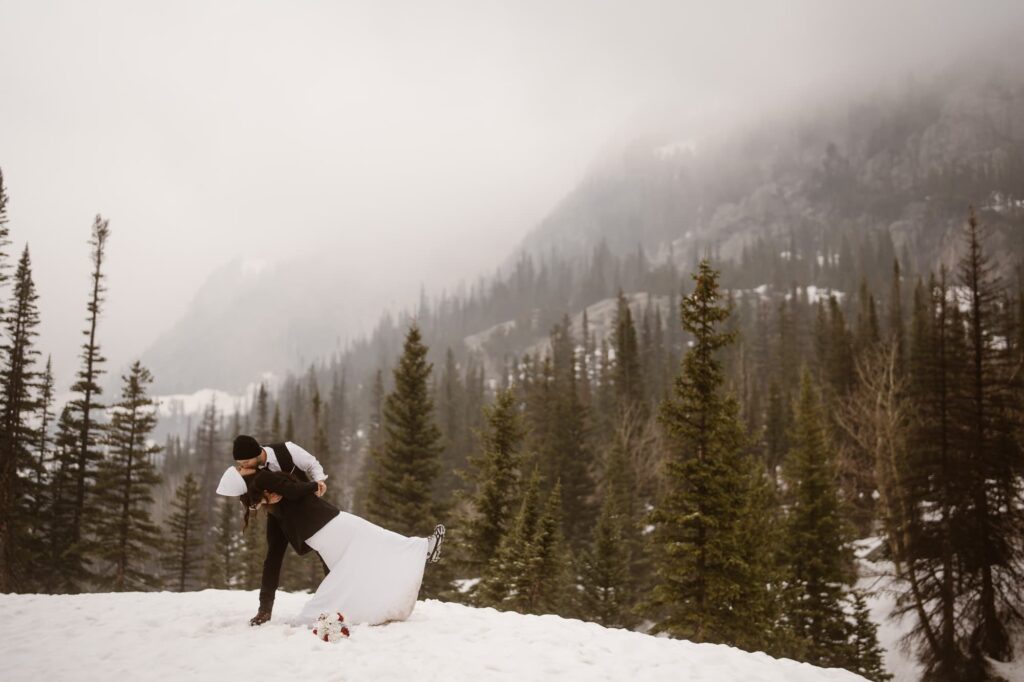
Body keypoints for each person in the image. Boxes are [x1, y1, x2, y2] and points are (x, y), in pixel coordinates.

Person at [217, 464, 445, 627]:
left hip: (333, 532)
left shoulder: (278, 496)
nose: (243, 465)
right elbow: (272, 560)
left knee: (371, 551)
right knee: (377, 542)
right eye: (239, 469)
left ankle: (424, 549)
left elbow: (290, 489)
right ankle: (423, 549)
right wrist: (264, 609)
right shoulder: (271, 502)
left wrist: (310, 485)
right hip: (335, 532)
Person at [216, 434, 329, 626]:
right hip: (278, 515)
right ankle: (264, 610)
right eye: (240, 463)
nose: (243, 467)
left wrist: (319, 482)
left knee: (324, 550)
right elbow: (249, 500)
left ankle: (337, 598)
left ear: (257, 453)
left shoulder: (288, 450)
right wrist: (262, 501)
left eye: (245, 461)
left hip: (304, 509)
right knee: (272, 558)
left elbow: (312, 464)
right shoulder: (250, 471)